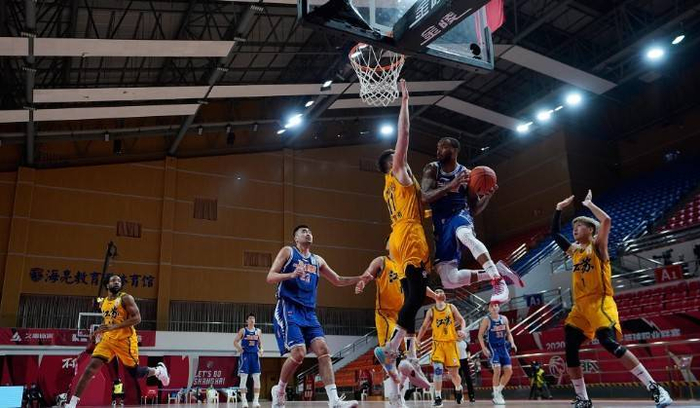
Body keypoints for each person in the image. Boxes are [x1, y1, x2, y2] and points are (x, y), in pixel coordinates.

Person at [553, 191, 673, 408]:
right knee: (570, 347)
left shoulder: (598, 247)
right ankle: (583, 398)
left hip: (600, 302)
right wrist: (558, 209)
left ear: (590, 230)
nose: (574, 229)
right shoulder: (575, 252)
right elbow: (555, 234)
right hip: (580, 307)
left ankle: (656, 388)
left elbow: (606, 220)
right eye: (573, 227)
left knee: (608, 342)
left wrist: (589, 204)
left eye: (579, 226)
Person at [374, 80, 442, 400]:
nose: (404, 157)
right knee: (415, 297)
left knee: (412, 296)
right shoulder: (398, 171)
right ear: (393, 162)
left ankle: (405, 355)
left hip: (398, 240)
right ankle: (392, 349)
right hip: (409, 235)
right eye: (399, 156)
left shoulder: (389, 187)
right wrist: (404, 102)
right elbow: (404, 135)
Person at [267, 225, 370, 408]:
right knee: (298, 354)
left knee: (324, 350)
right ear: (296, 238)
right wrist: (291, 274)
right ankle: (279, 390)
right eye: (303, 231)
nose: (308, 233)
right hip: (289, 307)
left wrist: (361, 278)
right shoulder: (288, 252)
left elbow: (338, 280)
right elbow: (270, 277)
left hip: (309, 312)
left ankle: (334, 400)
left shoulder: (317, 260)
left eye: (310, 232)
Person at [421, 137, 523, 303]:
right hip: (441, 225)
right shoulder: (433, 168)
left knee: (464, 234)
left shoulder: (469, 175)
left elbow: (474, 209)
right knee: (449, 280)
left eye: (443, 147)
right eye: (438, 147)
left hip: (459, 215)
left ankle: (497, 281)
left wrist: (487, 197)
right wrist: (451, 185)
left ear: (454, 151)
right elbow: (425, 197)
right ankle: (497, 270)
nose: (438, 151)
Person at [64, 275, 170, 408]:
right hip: (108, 339)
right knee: (90, 369)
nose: (117, 282)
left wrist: (113, 327)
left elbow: (137, 318)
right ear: (107, 285)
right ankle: (72, 404)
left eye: (119, 281)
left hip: (125, 340)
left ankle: (158, 371)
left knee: (135, 373)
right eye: (113, 280)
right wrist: (97, 332)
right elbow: (108, 321)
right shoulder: (103, 302)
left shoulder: (125, 298)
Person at [417, 289, 466, 408]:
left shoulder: (451, 307)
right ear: (434, 296)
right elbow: (424, 327)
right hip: (438, 345)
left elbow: (461, 320)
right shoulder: (431, 311)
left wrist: (463, 330)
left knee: (454, 374)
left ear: (444, 296)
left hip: (451, 344)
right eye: (437, 292)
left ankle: (458, 388)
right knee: (438, 370)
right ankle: (438, 397)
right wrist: (418, 340)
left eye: (442, 291)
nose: (440, 293)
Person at [478, 302, 516, 406]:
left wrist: (512, 343)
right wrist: (483, 348)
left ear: (498, 307)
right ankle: (496, 394)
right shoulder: (487, 320)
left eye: (495, 305)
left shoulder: (504, 319)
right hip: (493, 348)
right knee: (497, 370)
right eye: (491, 306)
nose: (494, 307)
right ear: (489, 309)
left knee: (509, 371)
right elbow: (480, 335)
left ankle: (498, 391)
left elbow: (508, 333)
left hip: (503, 347)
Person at [234, 313, 264, 408]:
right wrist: (240, 348)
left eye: (253, 318)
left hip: (255, 356)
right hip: (245, 356)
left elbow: (260, 343)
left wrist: (261, 349)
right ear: (247, 321)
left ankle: (256, 401)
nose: (252, 320)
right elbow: (235, 342)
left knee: (257, 378)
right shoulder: (243, 330)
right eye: (250, 318)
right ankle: (244, 401)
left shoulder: (258, 331)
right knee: (244, 378)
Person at [457, 339, 475, 403]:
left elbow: (468, 351)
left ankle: (471, 396)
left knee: (468, 378)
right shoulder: (453, 342)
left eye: (460, 334)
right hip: (457, 361)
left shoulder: (465, 342)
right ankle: (458, 397)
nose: (459, 335)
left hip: (464, 361)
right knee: (457, 380)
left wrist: (468, 356)